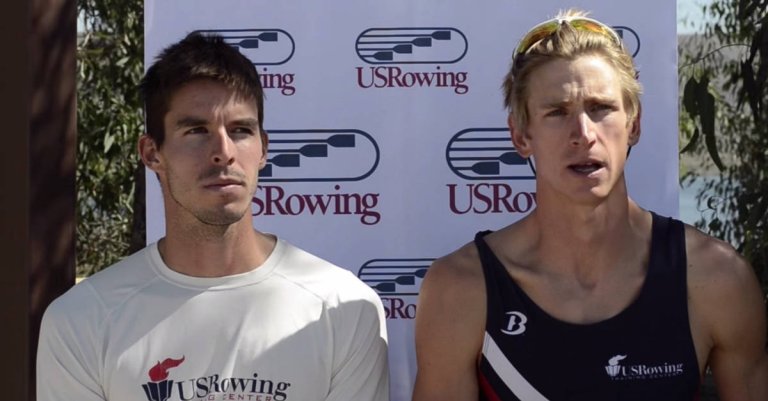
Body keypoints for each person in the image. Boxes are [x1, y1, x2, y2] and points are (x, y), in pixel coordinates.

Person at [412, 9, 767, 401]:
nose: (583, 134)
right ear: (521, 136)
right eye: (557, 112)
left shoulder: (715, 277)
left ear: (634, 124)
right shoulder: (461, 289)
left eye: (600, 108)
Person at [37, 33, 389, 401]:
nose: (223, 152)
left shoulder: (341, 306)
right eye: (196, 131)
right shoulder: (83, 319)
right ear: (152, 153)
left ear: (263, 149)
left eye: (241, 131)